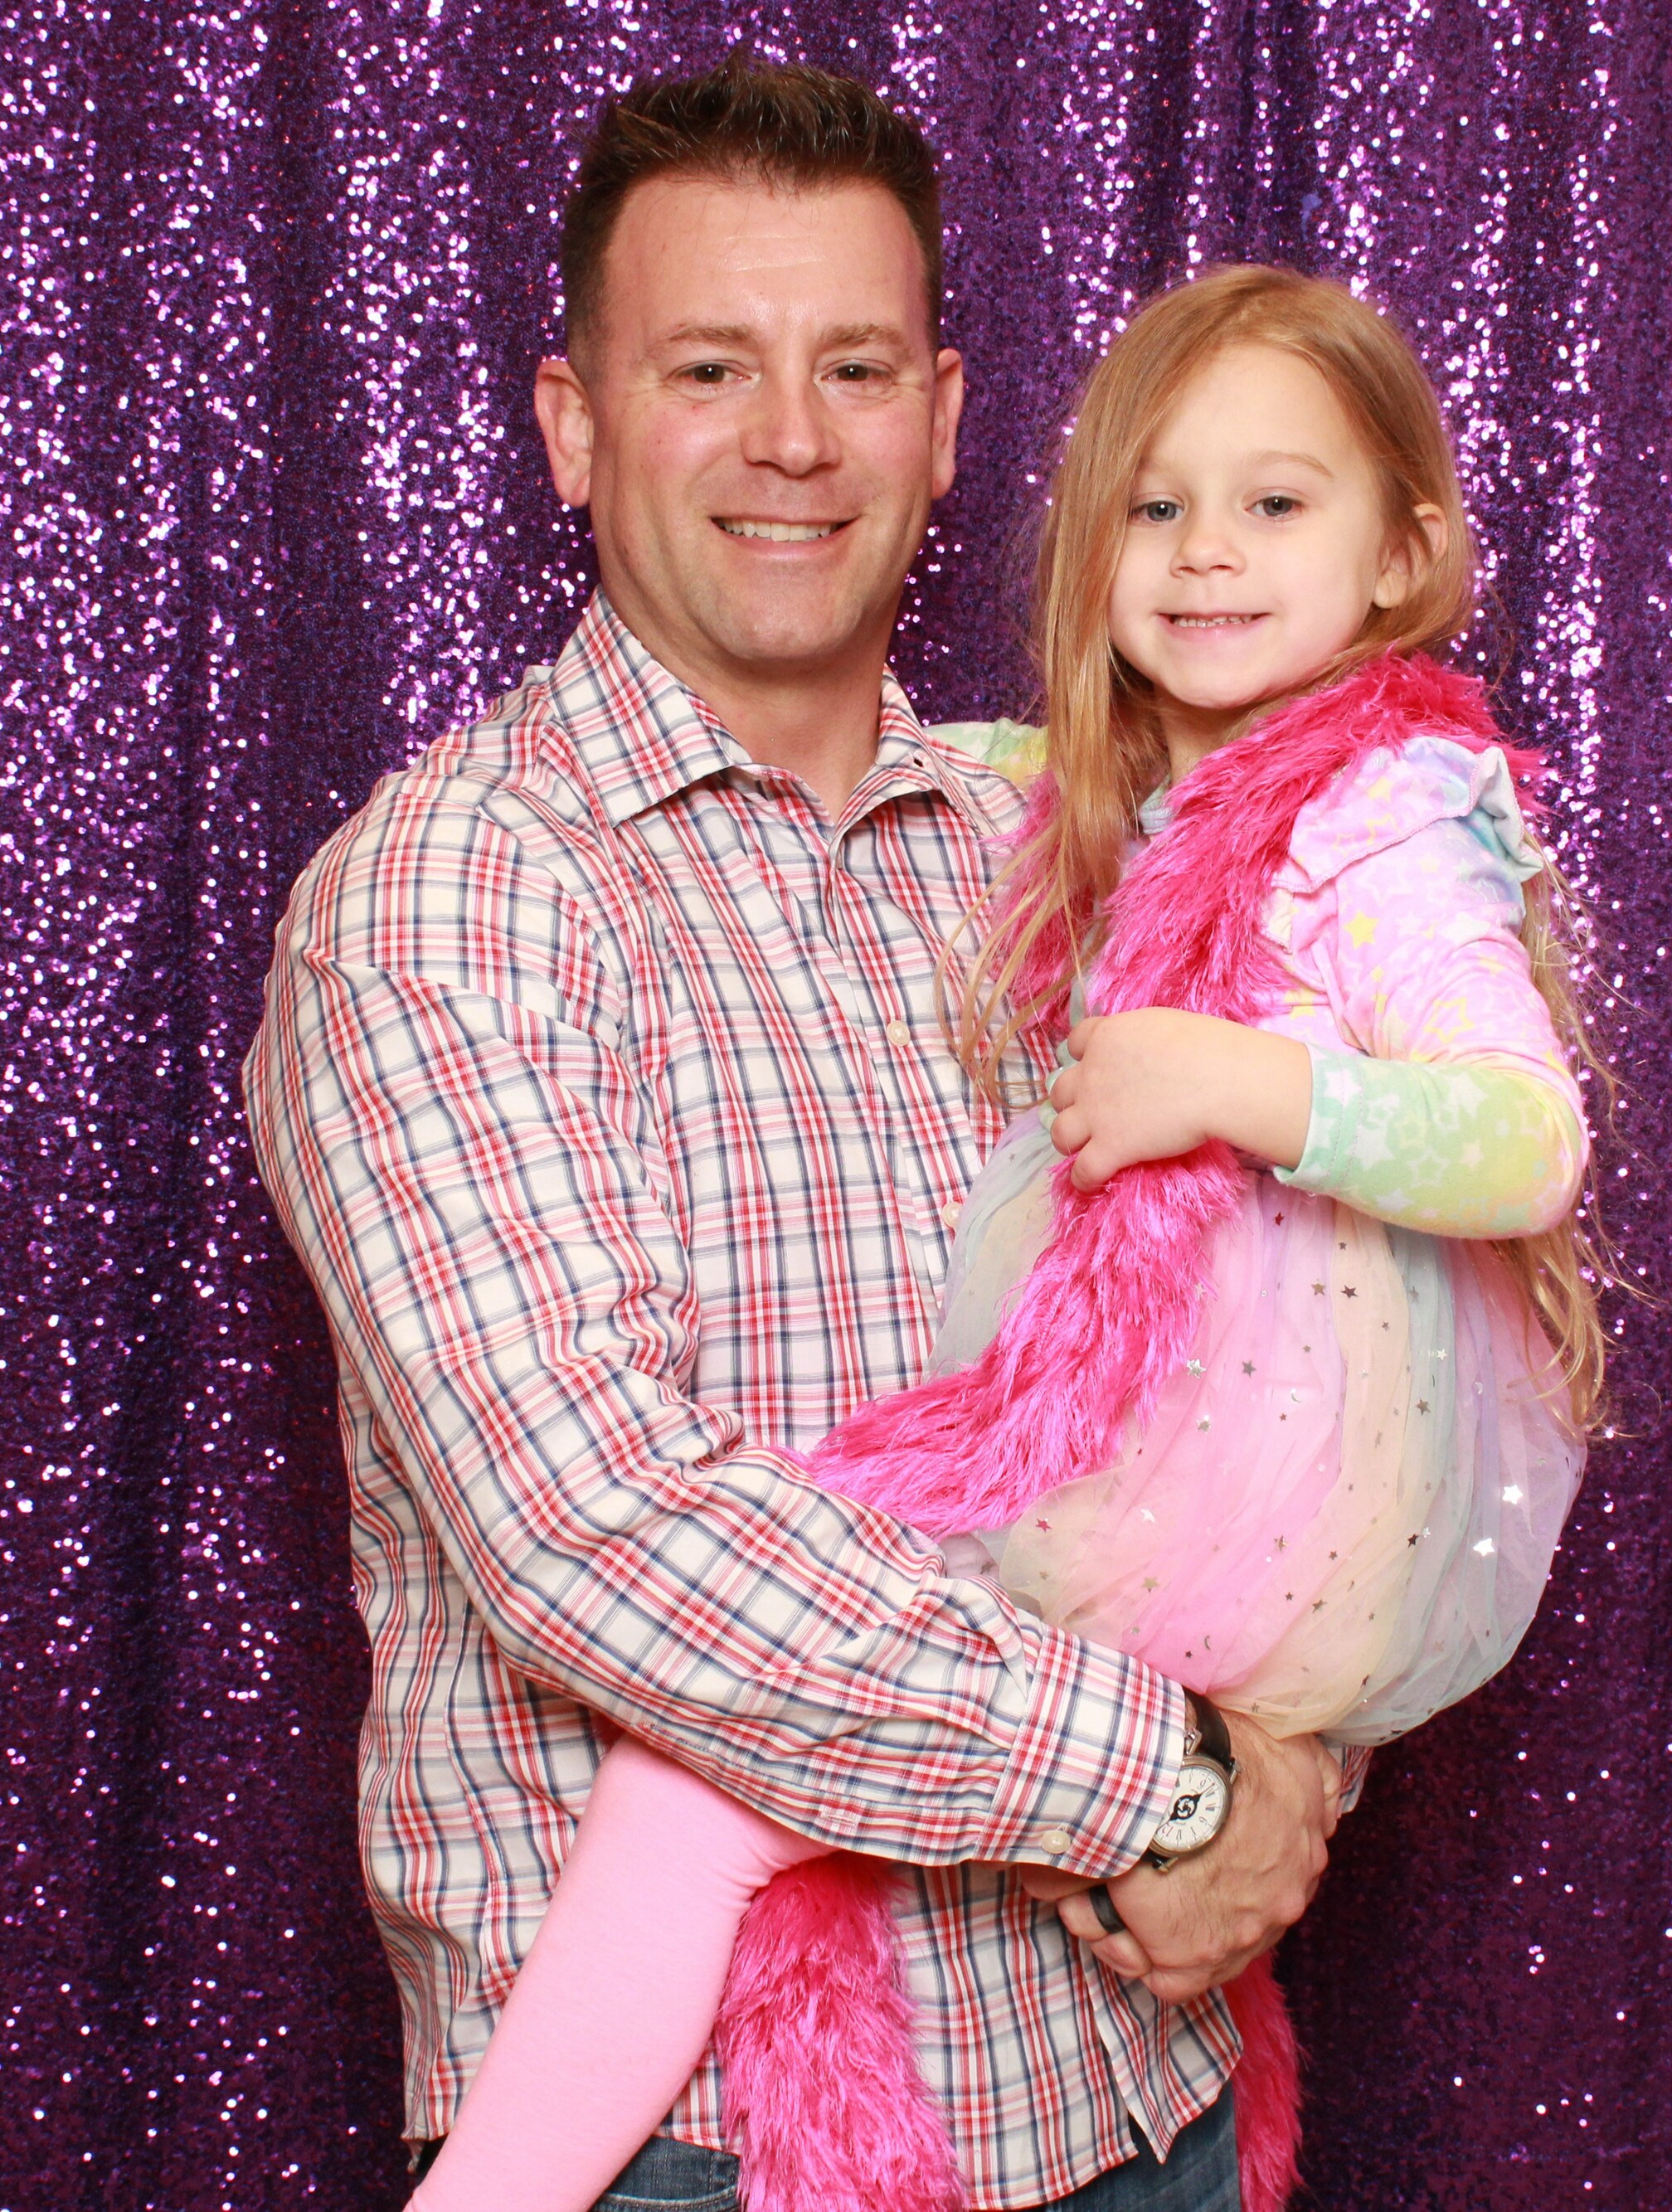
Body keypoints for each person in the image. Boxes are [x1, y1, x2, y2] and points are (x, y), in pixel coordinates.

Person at [241, 61, 1344, 2212]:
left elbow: (1276, 1363)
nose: (792, 440)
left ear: (940, 418)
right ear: (573, 424)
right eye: (708, 370)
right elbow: (598, 1526)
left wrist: (1292, 1757)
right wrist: (1171, 1783)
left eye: (851, 368)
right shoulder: (450, 895)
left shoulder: (1070, 853)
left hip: (1144, 2086)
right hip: (703, 2143)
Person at [411, 265, 1611, 2212]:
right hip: (1148, 1421)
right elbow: (976, 762)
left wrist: (1236, 1082)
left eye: (1273, 502)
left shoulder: (1387, 812)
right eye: (1156, 504)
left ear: (1400, 556)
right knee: (722, 1787)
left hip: (1205, 1452)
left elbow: (1525, 1135)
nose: (1205, 551)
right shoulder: (1130, 785)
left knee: (695, 1780)